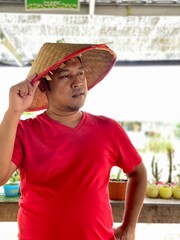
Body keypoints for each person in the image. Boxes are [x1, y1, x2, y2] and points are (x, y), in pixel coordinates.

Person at [0, 42, 147, 240]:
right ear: (44, 85)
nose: (77, 81)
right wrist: (13, 112)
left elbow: (138, 172)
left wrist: (129, 227)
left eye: (80, 73)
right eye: (66, 75)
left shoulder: (108, 128)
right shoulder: (24, 131)